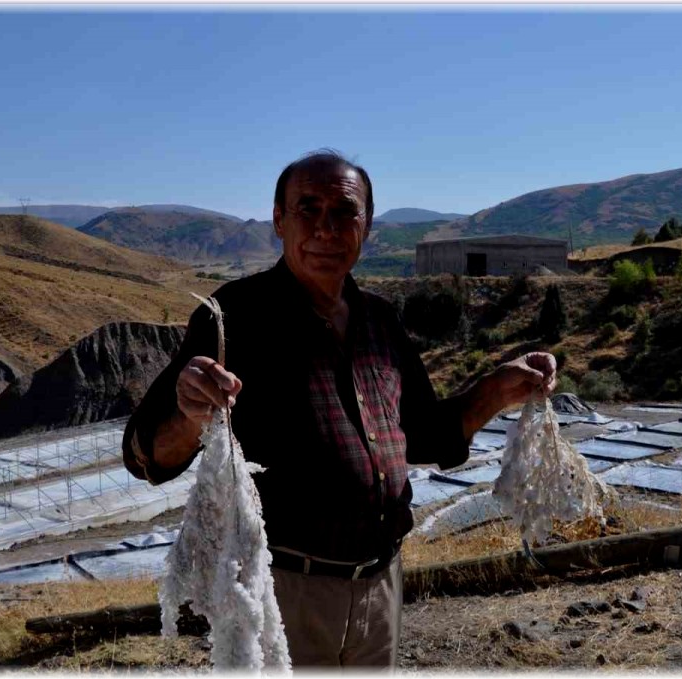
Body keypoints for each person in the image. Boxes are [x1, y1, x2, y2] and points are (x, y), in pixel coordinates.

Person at [123, 150, 557, 667]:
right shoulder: (234, 317)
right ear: (279, 221)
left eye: (344, 212)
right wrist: (190, 414)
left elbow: (425, 436)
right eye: (307, 209)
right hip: (285, 593)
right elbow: (147, 454)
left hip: (382, 586)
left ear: (366, 226)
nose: (326, 229)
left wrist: (497, 390)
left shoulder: (381, 320)